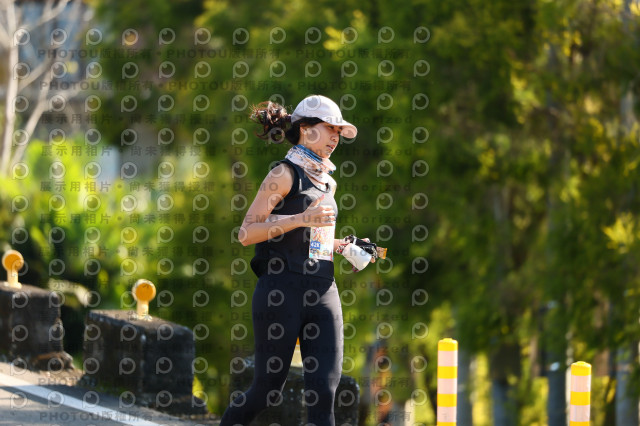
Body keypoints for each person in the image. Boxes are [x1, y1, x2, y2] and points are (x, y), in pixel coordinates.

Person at [219, 95, 376, 426]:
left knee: (324, 392)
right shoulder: (283, 174)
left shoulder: (328, 182)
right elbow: (246, 233)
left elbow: (311, 241)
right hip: (281, 290)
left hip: (323, 290)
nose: (335, 137)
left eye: (338, 131)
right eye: (329, 128)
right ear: (305, 129)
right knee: (266, 390)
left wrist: (343, 246)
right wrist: (301, 218)